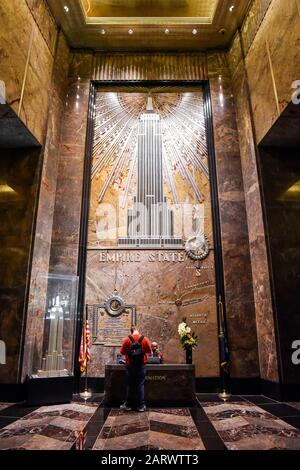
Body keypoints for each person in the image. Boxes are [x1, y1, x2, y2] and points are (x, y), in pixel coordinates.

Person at [120, 325, 151, 412]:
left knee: (130, 385)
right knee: (140, 384)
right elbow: (149, 351)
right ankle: (141, 406)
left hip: (130, 365)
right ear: (138, 330)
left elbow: (122, 352)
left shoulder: (127, 339)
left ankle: (129, 405)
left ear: (131, 331)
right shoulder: (144, 339)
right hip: (141, 365)